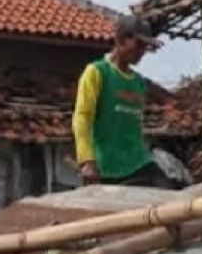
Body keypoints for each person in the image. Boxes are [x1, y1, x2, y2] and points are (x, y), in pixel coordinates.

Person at [72, 15, 177, 188]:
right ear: (120, 40)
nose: (142, 52)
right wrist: (87, 161)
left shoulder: (138, 82)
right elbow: (82, 117)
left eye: (146, 47)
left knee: (168, 196)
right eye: (139, 45)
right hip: (107, 167)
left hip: (138, 162)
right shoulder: (97, 73)